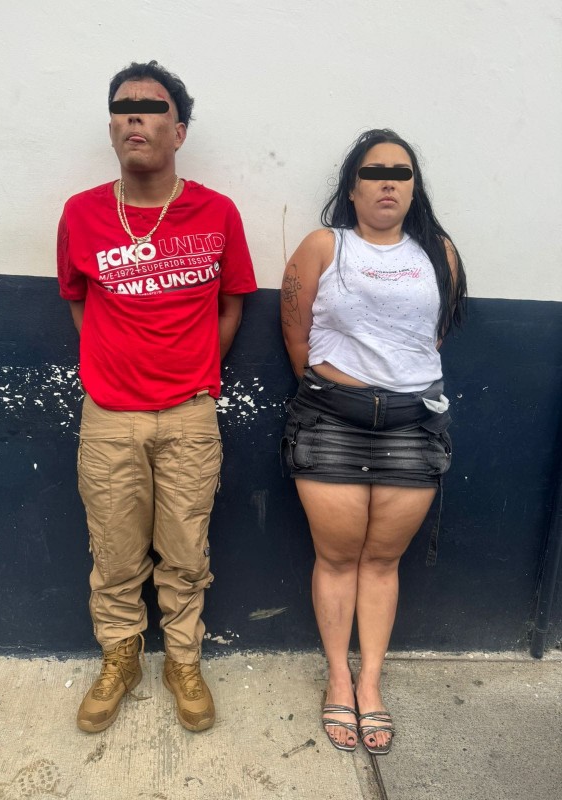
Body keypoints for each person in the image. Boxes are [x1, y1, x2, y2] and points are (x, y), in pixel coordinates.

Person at [57, 61, 257, 734]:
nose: (132, 117)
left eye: (149, 107)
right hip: (109, 417)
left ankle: (183, 661)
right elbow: (79, 302)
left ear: (179, 130)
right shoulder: (81, 214)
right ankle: (120, 657)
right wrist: (114, 366)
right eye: (121, 108)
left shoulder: (217, 213)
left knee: (186, 553)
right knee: (114, 553)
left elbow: (232, 304)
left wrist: (192, 370)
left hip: (189, 415)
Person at [280, 129, 466, 754]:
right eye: (374, 172)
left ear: (414, 188)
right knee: (336, 558)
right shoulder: (324, 246)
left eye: (402, 173)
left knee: (383, 561)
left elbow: (431, 337)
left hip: (413, 426)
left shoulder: (439, 252)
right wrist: (339, 386)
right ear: (353, 187)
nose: (389, 182)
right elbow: (295, 331)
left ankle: (371, 683)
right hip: (331, 421)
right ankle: (339, 678)